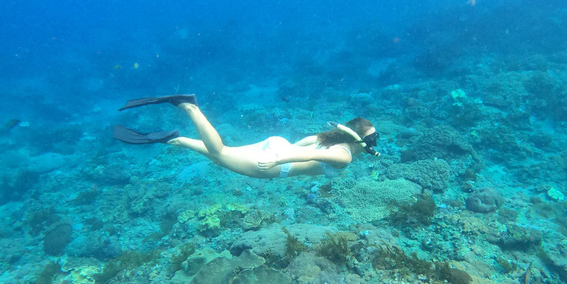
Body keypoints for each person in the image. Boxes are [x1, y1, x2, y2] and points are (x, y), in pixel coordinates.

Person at [113, 95, 380, 179]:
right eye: (372, 140)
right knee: (219, 153)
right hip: (279, 161)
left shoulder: (333, 139)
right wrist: (277, 161)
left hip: (277, 145)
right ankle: (189, 106)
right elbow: (310, 154)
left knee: (222, 155)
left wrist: (278, 152)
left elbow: (305, 144)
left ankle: (176, 139)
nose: (373, 145)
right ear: (359, 140)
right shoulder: (343, 156)